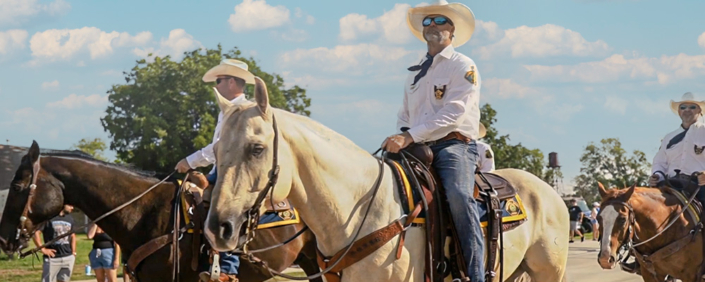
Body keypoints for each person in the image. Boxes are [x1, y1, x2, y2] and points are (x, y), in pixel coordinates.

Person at [381, 1, 485, 280]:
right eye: (427, 22)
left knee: (459, 196)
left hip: (454, 146)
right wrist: (402, 135)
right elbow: (405, 113)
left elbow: (455, 112)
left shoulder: (463, 65)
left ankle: (475, 274)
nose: (433, 26)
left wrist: (409, 136)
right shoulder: (414, 72)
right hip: (416, 147)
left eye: (440, 20)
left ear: (453, 30)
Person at [175, 58, 256, 282]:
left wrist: (190, 161)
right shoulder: (229, 110)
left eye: (219, 80)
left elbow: (221, 147)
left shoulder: (241, 110)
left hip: (234, 172)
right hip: (220, 169)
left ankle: (228, 268)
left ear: (231, 82)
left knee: (224, 207)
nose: (216, 85)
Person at [650, 92, 705, 207]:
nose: (687, 110)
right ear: (679, 112)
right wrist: (657, 175)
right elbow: (659, 162)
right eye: (683, 107)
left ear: (700, 111)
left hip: (699, 185)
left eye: (692, 107)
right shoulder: (668, 137)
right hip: (670, 183)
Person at [32, 204, 77, 282]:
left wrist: (73, 252)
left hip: (68, 257)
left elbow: (73, 236)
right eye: (70, 205)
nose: (72, 208)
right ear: (63, 204)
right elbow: (36, 233)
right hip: (52, 259)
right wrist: (43, 249)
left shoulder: (70, 219)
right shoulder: (49, 218)